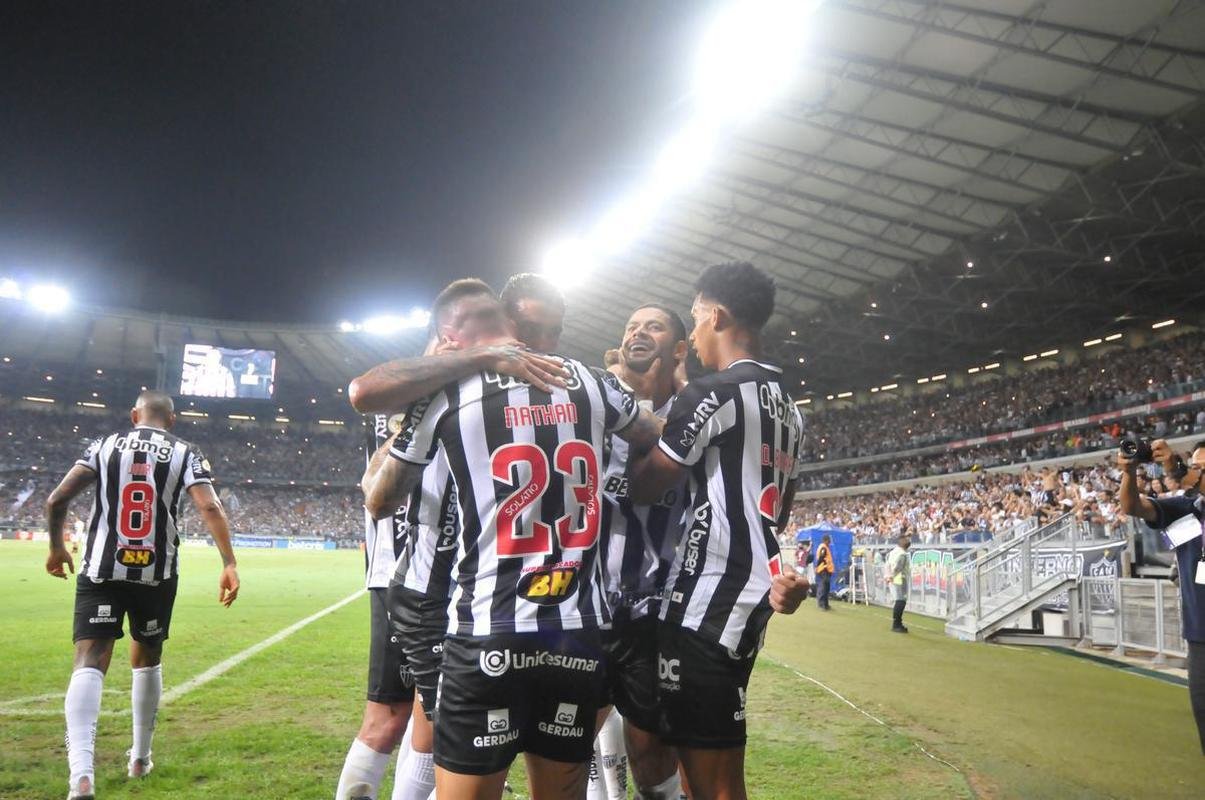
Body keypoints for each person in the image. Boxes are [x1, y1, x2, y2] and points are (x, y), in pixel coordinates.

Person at [362, 279, 663, 800]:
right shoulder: (592, 382)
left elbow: (379, 499)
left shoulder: (450, 393)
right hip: (575, 630)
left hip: (488, 627)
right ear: (506, 325)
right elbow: (651, 433)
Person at [347, 273, 571, 800]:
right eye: (530, 328)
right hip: (425, 580)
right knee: (425, 729)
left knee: (425, 728)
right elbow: (376, 483)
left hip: (483, 592)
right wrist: (474, 356)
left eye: (554, 332)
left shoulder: (541, 384)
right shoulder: (446, 377)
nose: (541, 343)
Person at [627, 261, 809, 800]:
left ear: (717, 316)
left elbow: (646, 485)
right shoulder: (790, 410)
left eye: (696, 318)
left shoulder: (714, 393)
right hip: (746, 605)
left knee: (714, 783)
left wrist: (622, 428)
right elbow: (778, 508)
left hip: (703, 605)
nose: (695, 332)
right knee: (703, 761)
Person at [43, 390, 240, 800]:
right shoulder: (185, 452)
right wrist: (228, 562)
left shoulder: (103, 446)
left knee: (90, 660)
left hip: (102, 567)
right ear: (172, 420)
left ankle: (81, 773)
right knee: (147, 656)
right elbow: (210, 508)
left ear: (135, 415)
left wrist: (57, 546)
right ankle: (140, 758)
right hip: (156, 572)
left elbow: (57, 499)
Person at [597, 303, 690, 799]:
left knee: (650, 745)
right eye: (631, 324)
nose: (639, 331)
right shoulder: (598, 405)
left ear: (678, 348)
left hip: (658, 605)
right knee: (561, 737)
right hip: (588, 600)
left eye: (653, 325)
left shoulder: (694, 414)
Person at [1118, 438, 1205, 754]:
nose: (1196, 474)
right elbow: (1132, 506)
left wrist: (1177, 469)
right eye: (1195, 466)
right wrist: (1128, 472)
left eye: (1202, 469)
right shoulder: (1186, 509)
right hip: (1200, 641)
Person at [886, 535, 911, 633]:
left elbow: (887, 565)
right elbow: (898, 567)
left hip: (894, 578)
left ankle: (897, 623)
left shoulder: (893, 552)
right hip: (899, 579)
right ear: (901, 541)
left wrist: (887, 576)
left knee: (899, 600)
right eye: (906, 539)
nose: (908, 541)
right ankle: (897, 624)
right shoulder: (902, 554)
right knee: (901, 601)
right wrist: (891, 576)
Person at [815, 534, 834, 611]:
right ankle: (821, 604)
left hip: (826, 569)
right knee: (824, 586)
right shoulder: (823, 547)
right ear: (825, 540)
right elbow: (821, 558)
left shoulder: (825, 547)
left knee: (827, 587)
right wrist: (817, 567)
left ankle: (826, 604)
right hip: (824, 569)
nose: (829, 542)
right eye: (828, 540)